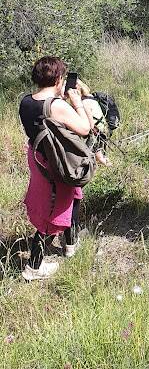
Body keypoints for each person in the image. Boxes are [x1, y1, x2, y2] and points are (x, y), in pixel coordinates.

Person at [19, 56, 91, 281]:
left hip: (38, 157)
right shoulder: (56, 106)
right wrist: (77, 101)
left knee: (72, 196)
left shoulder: (26, 101)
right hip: (56, 162)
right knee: (51, 213)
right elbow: (85, 128)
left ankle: (70, 244)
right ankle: (33, 268)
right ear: (59, 79)